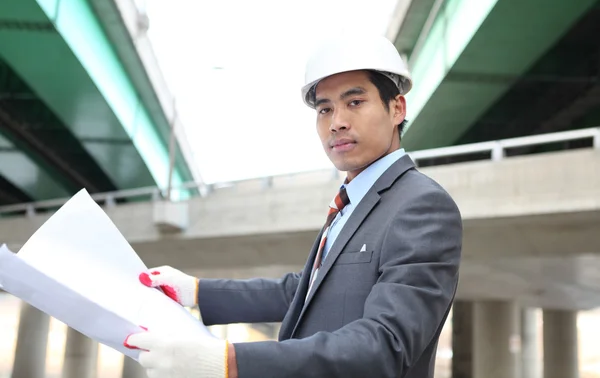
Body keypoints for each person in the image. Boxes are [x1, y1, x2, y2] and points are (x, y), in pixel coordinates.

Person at [124, 34, 463, 378]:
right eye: (325, 109)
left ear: (397, 108)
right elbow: (302, 292)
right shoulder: (351, 204)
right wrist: (195, 291)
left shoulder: (422, 206)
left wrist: (228, 362)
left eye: (355, 102)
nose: (337, 122)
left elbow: (386, 344)